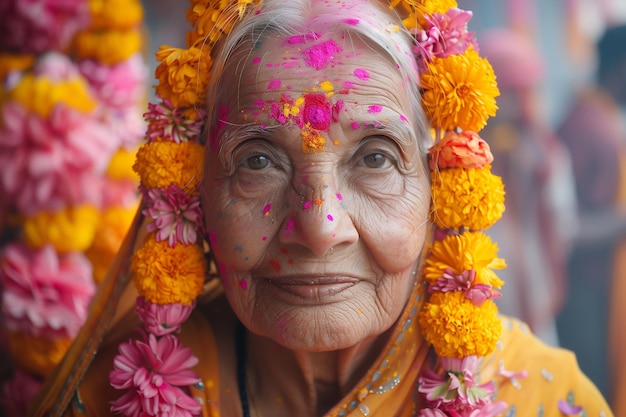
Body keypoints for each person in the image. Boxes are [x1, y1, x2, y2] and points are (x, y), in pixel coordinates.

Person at [27, 1, 613, 416]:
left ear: (439, 190)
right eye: (258, 162)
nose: (319, 227)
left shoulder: (543, 400)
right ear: (191, 195)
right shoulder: (112, 396)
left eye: (376, 159)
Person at [477, 28, 578, 346]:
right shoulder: (460, 153)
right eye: (508, 92)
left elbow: (563, 227)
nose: (517, 103)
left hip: (534, 296)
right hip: (479, 298)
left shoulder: (544, 154)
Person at [556, 23, 626, 411]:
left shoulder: (604, 118)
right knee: (591, 394)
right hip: (585, 291)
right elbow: (567, 227)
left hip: (605, 286)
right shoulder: (586, 125)